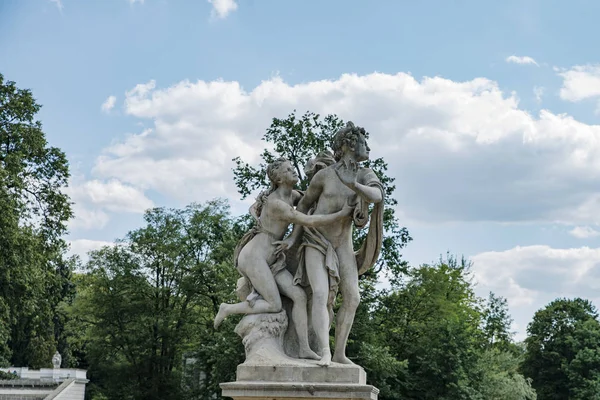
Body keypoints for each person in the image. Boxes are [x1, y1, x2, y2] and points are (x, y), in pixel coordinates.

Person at [213, 158, 353, 361]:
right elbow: (308, 220)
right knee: (274, 304)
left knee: (299, 296)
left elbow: (308, 202)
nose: (294, 171)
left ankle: (304, 348)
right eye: (289, 170)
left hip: (273, 258)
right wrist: (341, 214)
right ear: (278, 178)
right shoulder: (277, 203)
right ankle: (227, 308)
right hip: (255, 258)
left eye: (292, 167)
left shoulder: (292, 195)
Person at [279, 122, 385, 366]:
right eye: (362, 142)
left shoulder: (364, 174)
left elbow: (378, 196)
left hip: (342, 245)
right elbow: (303, 206)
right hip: (315, 240)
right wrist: (293, 237)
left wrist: (354, 185)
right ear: (348, 144)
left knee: (353, 297)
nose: (367, 147)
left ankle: (340, 353)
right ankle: (325, 351)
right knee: (320, 293)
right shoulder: (324, 175)